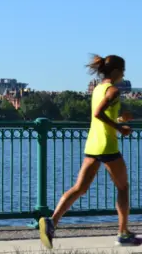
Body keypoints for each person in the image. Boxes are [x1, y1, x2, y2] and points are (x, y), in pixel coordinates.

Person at [39, 54, 140, 249]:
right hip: (107, 146)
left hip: (93, 145)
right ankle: (123, 233)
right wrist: (120, 129)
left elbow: (101, 117)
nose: (124, 74)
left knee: (79, 188)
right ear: (118, 72)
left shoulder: (98, 89)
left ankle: (52, 222)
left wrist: (120, 120)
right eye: (124, 70)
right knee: (123, 188)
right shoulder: (113, 91)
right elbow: (98, 114)